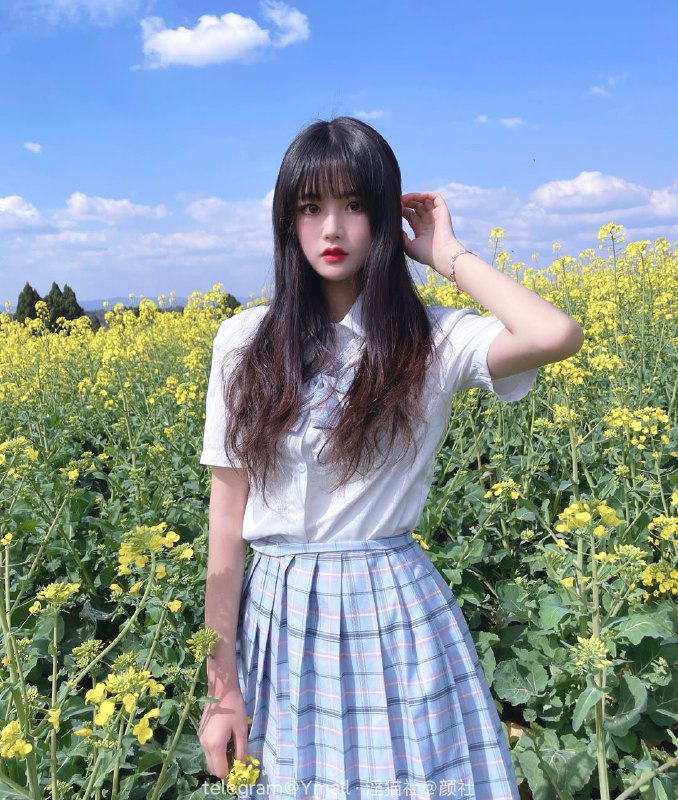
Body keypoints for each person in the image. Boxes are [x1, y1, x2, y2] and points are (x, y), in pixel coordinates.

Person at [197, 116, 584, 799]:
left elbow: (554, 333)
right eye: (310, 207)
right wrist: (221, 689)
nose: (332, 228)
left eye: (355, 204)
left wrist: (445, 254)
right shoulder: (243, 342)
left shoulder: (431, 339)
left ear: (383, 217)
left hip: (392, 612)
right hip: (277, 615)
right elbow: (225, 526)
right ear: (287, 221)